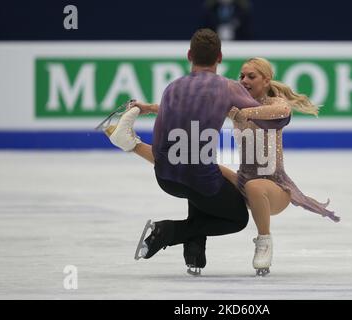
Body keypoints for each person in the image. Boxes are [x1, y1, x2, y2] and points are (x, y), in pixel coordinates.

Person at [104, 56, 340, 276]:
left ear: (266, 80)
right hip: (243, 181)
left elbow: (283, 110)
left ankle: (264, 241)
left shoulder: (273, 102)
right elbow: (190, 107)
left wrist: (244, 113)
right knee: (194, 165)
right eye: (242, 76)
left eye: (251, 76)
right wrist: (150, 107)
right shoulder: (233, 103)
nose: (244, 80)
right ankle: (131, 144)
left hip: (274, 188)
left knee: (257, 186)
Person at [103, 28, 276, 276]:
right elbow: (260, 115)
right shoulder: (228, 87)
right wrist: (277, 103)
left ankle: (194, 255)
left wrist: (147, 115)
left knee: (196, 176)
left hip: (166, 179)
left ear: (189, 55)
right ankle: (168, 232)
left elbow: (163, 140)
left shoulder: (172, 88)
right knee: (237, 218)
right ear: (219, 57)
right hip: (201, 181)